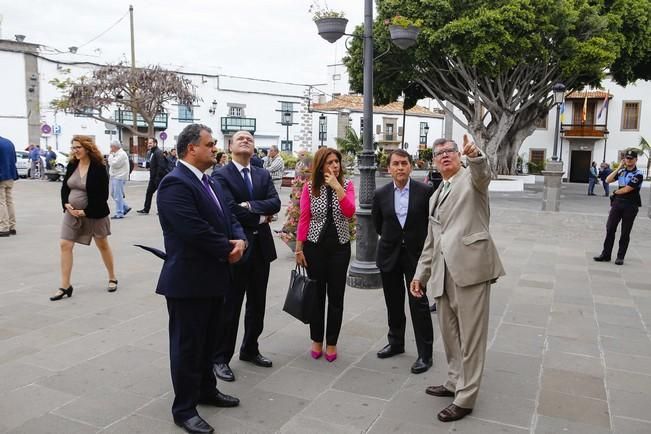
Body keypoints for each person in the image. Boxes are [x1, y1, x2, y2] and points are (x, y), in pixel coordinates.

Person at [156, 123, 246, 434]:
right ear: (191, 148)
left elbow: (229, 215)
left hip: (215, 278)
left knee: (209, 341)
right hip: (188, 282)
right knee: (187, 346)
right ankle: (184, 409)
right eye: (210, 144)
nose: (215, 149)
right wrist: (227, 249)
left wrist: (240, 239)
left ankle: (207, 390)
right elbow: (191, 229)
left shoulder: (211, 182)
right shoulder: (174, 183)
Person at [410, 136, 505, 423]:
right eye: (439, 154)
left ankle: (466, 397)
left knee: (471, 337)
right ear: (434, 162)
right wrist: (420, 275)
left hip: (470, 269)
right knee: (450, 335)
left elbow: (482, 174)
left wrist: (476, 156)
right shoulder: (437, 193)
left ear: (458, 155)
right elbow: (431, 239)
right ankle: (453, 381)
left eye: (450, 151)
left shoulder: (472, 181)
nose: (445, 156)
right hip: (442, 272)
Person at [212, 130, 281, 382]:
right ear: (230, 146)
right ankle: (220, 358)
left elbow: (275, 202)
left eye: (249, 139)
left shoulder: (262, 173)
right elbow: (228, 209)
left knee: (257, 303)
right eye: (240, 138)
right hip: (237, 246)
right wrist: (262, 216)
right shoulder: (221, 174)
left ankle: (250, 348)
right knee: (230, 305)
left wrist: (251, 207)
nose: (245, 141)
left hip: (261, 248)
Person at [373, 149, 434, 374]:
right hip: (389, 255)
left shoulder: (425, 191)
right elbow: (378, 224)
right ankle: (396, 342)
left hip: (416, 257)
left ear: (411, 167)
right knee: (394, 302)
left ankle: (425, 354)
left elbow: (431, 223)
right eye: (396, 164)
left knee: (418, 304)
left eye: (404, 163)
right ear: (388, 168)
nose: (400, 168)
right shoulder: (381, 194)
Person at [296, 147, 355, 363]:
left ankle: (331, 342)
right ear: (321, 166)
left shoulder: (347, 185)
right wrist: (299, 248)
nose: (334, 165)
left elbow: (349, 212)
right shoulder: (310, 187)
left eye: (337, 162)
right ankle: (316, 340)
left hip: (340, 248)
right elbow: (304, 218)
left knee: (336, 298)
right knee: (317, 296)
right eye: (330, 162)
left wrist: (337, 186)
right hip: (314, 248)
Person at [51, 136, 118, 301]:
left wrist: (86, 212)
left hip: (94, 213)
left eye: (78, 147)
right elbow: (65, 187)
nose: (75, 150)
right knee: (65, 244)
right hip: (71, 214)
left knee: (102, 244)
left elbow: (102, 195)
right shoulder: (72, 164)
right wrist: (66, 203)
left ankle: (112, 277)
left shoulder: (98, 167)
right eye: (73, 147)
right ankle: (65, 285)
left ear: (87, 148)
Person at [593, 149, 643, 266]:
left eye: (631, 158)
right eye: (627, 158)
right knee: (610, 228)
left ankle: (620, 256)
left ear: (636, 160)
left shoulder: (638, 174)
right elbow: (607, 180)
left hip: (630, 205)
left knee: (625, 232)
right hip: (617, 204)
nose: (628, 160)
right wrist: (618, 167)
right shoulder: (621, 172)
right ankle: (606, 254)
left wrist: (615, 192)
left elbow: (628, 189)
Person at [137, 137, 169, 214]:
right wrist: (147, 166)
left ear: (155, 143)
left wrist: (157, 178)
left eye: (150, 143)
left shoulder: (158, 152)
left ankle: (161, 210)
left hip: (158, 178)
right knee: (149, 193)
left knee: (160, 195)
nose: (149, 145)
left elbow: (161, 166)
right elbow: (153, 164)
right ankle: (146, 209)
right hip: (153, 178)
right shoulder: (152, 152)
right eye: (148, 143)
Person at [107, 141, 131, 219]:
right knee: (114, 194)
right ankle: (125, 207)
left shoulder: (121, 154)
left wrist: (110, 156)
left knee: (118, 195)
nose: (111, 149)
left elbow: (114, 164)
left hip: (119, 176)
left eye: (111, 147)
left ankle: (119, 213)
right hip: (116, 176)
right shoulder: (117, 154)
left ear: (115, 147)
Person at [0, 135, 18, 237]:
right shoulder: (9, 142)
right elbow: (14, 159)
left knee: (1, 202)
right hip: (10, 175)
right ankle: (12, 226)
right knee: (9, 201)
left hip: (1, 176)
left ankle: (3, 227)